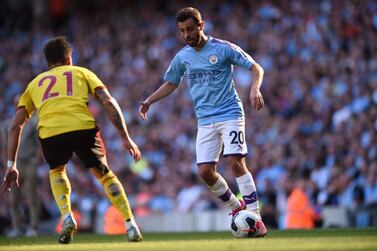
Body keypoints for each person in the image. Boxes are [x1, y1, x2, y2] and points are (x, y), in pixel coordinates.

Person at [139, 7, 267, 237]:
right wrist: (149, 100)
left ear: (201, 25)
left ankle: (255, 216)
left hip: (230, 114)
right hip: (205, 120)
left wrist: (255, 87)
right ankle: (237, 210)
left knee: (235, 161)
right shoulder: (182, 57)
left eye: (189, 29)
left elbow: (256, 67)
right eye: (182, 31)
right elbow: (171, 83)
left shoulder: (223, 48)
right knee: (205, 171)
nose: (186, 34)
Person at [1, 36, 143, 243]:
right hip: (82, 127)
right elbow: (108, 102)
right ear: (70, 58)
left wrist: (11, 164)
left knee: (56, 170)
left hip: (51, 133)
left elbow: (16, 126)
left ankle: (67, 216)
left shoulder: (33, 85)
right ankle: (130, 224)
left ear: (48, 63)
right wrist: (126, 137)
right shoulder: (82, 72)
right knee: (104, 175)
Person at [0, 110, 40, 237]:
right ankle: (17, 227)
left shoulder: (33, 124)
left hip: (29, 162)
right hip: (14, 165)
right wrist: (7, 164)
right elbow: (4, 147)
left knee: (32, 197)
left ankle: (33, 227)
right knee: (13, 199)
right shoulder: (7, 124)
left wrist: (37, 159)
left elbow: (39, 142)